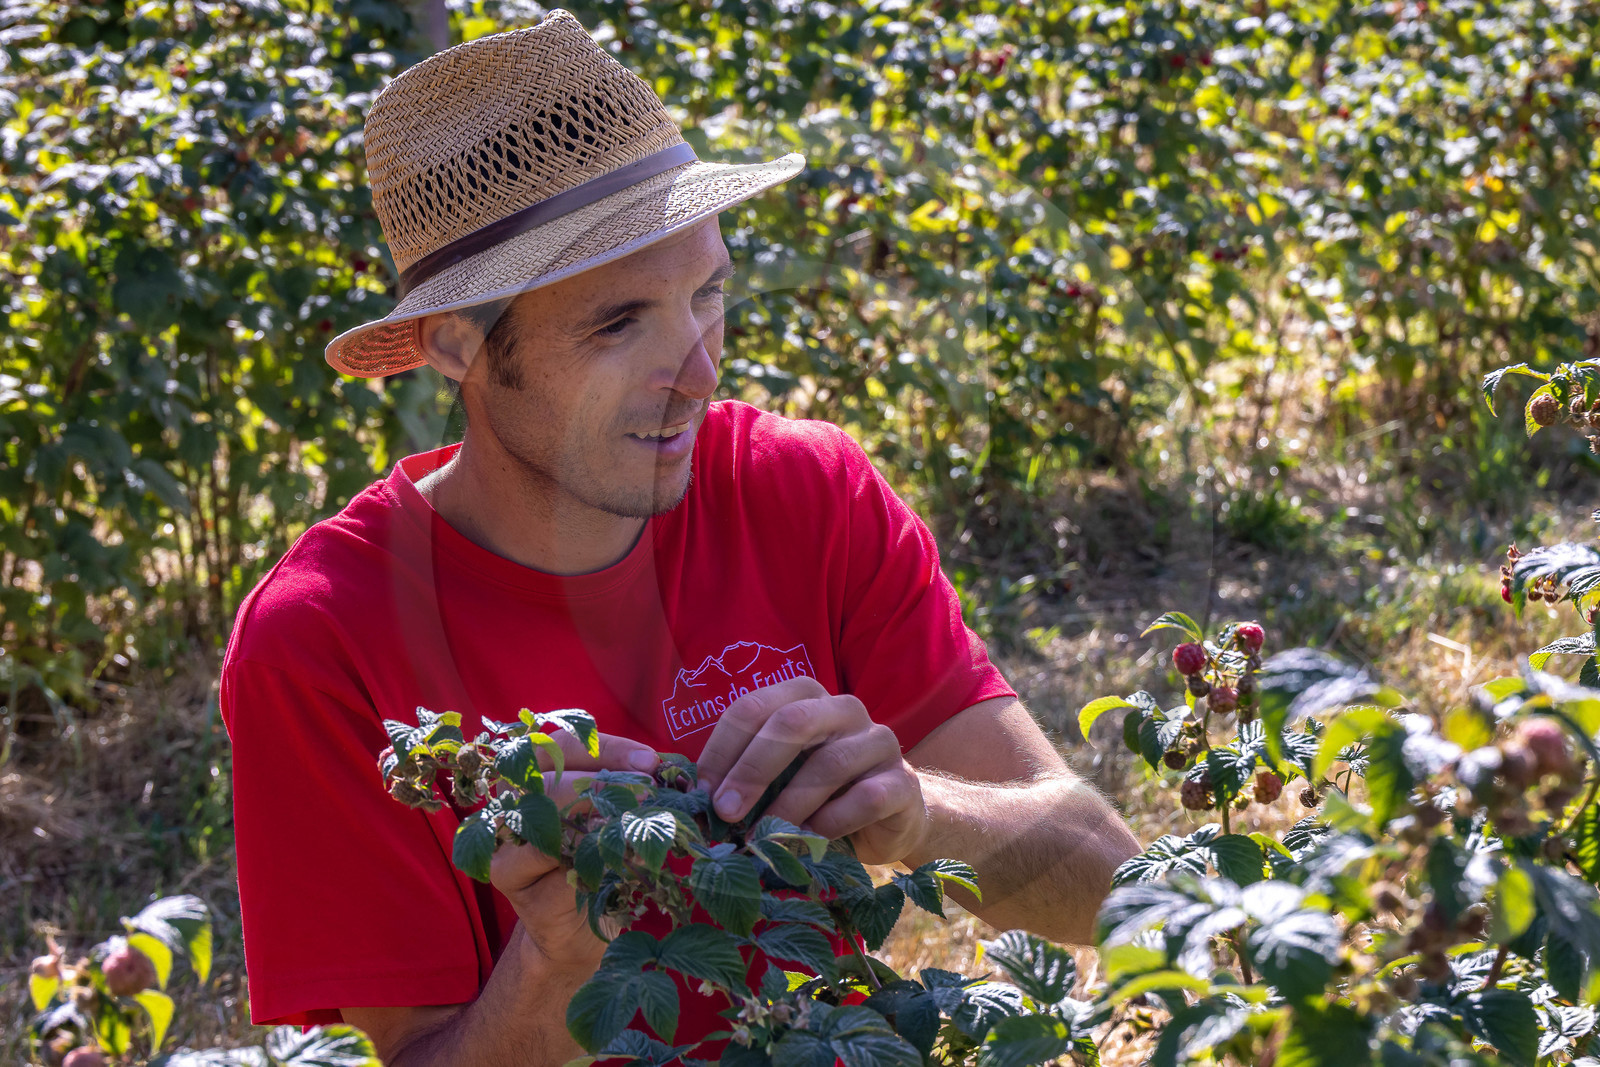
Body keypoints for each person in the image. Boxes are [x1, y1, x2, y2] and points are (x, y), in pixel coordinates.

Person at [218, 10, 1140, 1066]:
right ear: (457, 347)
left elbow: (1123, 891)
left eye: (706, 295)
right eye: (619, 324)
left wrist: (920, 809)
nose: (698, 372)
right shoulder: (324, 639)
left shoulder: (805, 491)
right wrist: (561, 960)